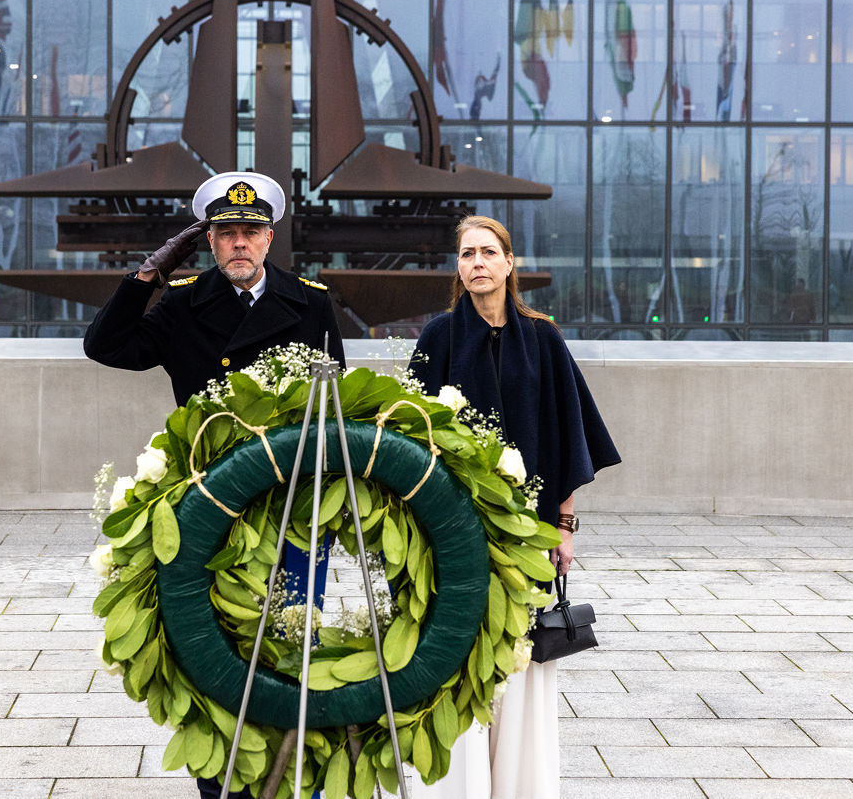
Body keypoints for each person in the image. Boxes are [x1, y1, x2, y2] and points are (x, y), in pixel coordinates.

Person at [84, 170, 344, 799]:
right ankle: (220, 782)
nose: (240, 245)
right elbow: (105, 345)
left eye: (251, 232)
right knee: (213, 648)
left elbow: (336, 407)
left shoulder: (311, 302)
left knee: (290, 641)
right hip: (210, 503)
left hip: (291, 505)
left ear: (270, 236)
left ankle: (292, 777)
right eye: (226, 233)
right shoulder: (181, 301)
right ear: (208, 241)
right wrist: (147, 275)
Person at [407, 214, 620, 799]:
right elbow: (409, 439)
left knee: (522, 657)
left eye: (487, 252)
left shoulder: (544, 338)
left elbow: (567, 436)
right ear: (458, 267)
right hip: (454, 531)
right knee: (458, 650)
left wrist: (564, 526)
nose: (477, 262)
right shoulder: (437, 339)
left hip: (528, 531)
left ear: (508, 264)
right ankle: (460, 786)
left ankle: (520, 786)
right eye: (467, 253)